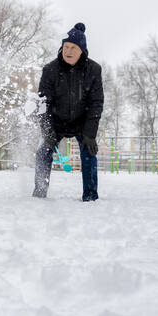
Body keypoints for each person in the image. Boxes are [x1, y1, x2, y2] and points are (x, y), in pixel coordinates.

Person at [33, 23, 104, 201]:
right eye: (66, 46)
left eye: (73, 47)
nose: (68, 51)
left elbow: (96, 103)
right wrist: (47, 129)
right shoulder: (50, 70)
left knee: (89, 152)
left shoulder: (94, 70)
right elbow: (43, 103)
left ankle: (90, 196)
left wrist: (90, 133)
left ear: (82, 50)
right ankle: (40, 192)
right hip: (57, 121)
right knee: (44, 151)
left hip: (82, 121)